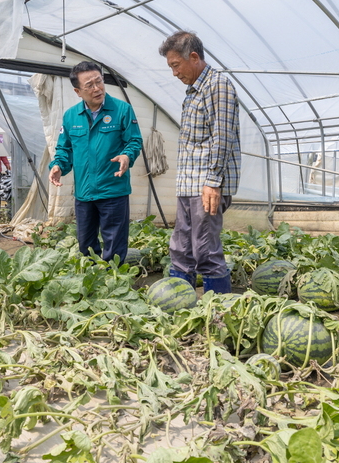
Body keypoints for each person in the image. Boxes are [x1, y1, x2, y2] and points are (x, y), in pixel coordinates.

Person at [159, 31, 240, 294]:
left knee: (205, 249)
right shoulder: (194, 91)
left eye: (175, 65)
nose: (174, 73)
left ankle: (218, 314)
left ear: (193, 57)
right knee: (181, 247)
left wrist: (213, 181)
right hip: (189, 185)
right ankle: (179, 304)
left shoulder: (217, 85)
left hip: (206, 185)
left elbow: (222, 135)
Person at [49, 61, 143, 263]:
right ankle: (92, 284)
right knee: (86, 245)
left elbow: (134, 140)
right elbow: (65, 149)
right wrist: (58, 166)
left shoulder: (122, 110)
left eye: (99, 81)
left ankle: (113, 286)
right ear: (78, 91)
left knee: (115, 249)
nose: (97, 88)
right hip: (84, 193)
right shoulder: (71, 115)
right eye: (89, 85)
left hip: (113, 190)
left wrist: (127, 155)